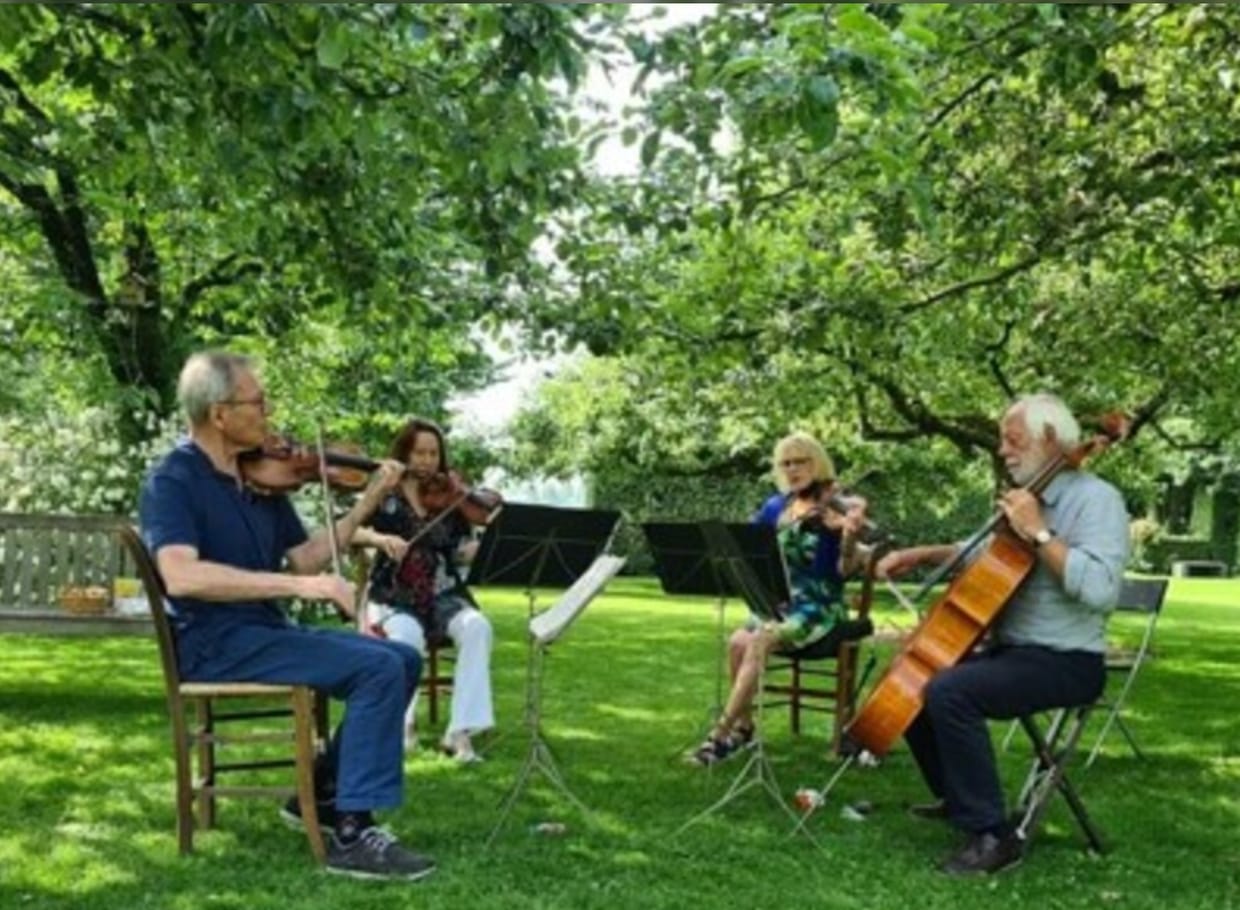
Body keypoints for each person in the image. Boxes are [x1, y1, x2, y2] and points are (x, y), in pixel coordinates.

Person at [139, 351, 435, 882]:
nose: (269, 413)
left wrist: (366, 503)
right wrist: (300, 586)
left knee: (401, 658)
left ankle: (318, 794)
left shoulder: (258, 479)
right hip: (214, 642)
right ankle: (350, 829)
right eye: (258, 402)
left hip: (264, 631)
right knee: (378, 668)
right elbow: (181, 576)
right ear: (219, 413)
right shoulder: (174, 480)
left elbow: (306, 557)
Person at [875, 392, 1130, 876]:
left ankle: (993, 834)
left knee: (950, 690)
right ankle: (957, 798)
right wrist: (923, 554)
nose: (1002, 451)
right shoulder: (1028, 497)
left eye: (1012, 440)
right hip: (1014, 652)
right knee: (912, 680)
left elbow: (1099, 590)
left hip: (1067, 659)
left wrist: (1037, 532)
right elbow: (988, 558)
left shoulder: (1098, 501)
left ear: (1051, 439)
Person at [691, 431, 871, 766]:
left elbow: (842, 571)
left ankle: (718, 736)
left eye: (800, 461)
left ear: (816, 462)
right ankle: (745, 729)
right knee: (736, 643)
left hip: (818, 607)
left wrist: (846, 536)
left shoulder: (837, 504)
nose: (792, 469)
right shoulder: (777, 506)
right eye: (785, 463)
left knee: (760, 640)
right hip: (780, 603)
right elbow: (746, 544)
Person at [353, 418, 498, 763]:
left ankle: (459, 733)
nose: (427, 461)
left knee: (478, 626)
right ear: (405, 452)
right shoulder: (385, 492)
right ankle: (404, 725)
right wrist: (380, 538)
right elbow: (351, 529)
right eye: (420, 452)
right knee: (405, 635)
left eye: (434, 453)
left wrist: (487, 545)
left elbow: (460, 549)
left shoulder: (449, 497)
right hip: (393, 594)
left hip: (442, 593)